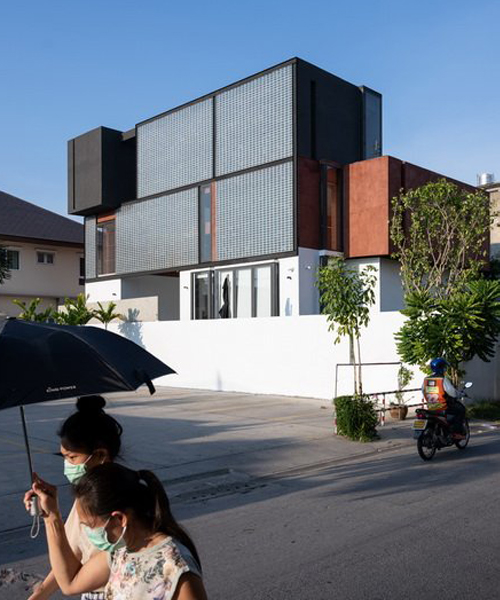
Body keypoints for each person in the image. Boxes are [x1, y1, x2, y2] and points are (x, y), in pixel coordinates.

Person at [28, 463, 207, 600]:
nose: (88, 532)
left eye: (90, 526)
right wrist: (51, 516)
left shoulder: (176, 569)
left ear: (120, 519)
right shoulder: (121, 552)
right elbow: (69, 583)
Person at [24, 396, 123, 600]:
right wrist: (39, 595)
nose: (68, 465)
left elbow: (70, 582)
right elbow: (71, 558)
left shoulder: (121, 501)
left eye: (72, 457)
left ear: (100, 455)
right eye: (64, 457)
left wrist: (52, 517)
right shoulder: (86, 496)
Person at [422, 357, 466, 439]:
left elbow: (422, 391)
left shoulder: (426, 379)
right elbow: (452, 393)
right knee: (460, 410)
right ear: (441, 368)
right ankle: (457, 433)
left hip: (431, 407)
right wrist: (459, 394)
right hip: (443, 407)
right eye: (444, 367)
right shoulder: (442, 379)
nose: (445, 369)